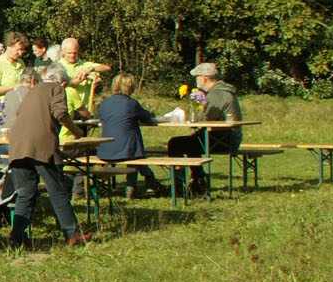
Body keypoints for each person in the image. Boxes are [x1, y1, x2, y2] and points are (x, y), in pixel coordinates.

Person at [5, 65, 92, 249]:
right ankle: (73, 234)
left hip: (18, 146)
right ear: (63, 82)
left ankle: (16, 237)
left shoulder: (32, 91)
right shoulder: (56, 89)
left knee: (25, 193)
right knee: (57, 190)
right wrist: (77, 131)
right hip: (41, 146)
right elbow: (60, 113)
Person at [167, 61, 241, 196]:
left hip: (224, 140)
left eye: (197, 77)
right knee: (191, 143)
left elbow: (205, 118)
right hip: (225, 136)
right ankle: (197, 180)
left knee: (175, 143)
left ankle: (180, 185)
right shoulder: (221, 91)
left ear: (205, 78)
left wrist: (198, 110)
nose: (196, 80)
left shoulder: (217, 94)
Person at [94, 72, 165, 197]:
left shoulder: (104, 104)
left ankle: (150, 182)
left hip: (106, 149)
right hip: (127, 150)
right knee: (135, 152)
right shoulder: (131, 103)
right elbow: (146, 117)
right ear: (130, 87)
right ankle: (133, 186)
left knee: (134, 150)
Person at [59, 38, 112, 116]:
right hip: (66, 110)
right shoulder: (57, 66)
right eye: (69, 53)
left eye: (75, 53)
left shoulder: (84, 65)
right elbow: (57, 87)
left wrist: (91, 70)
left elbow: (107, 68)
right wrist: (75, 81)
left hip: (84, 111)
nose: (72, 56)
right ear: (63, 51)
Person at [0, 31, 30, 117]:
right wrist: (15, 87)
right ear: (9, 46)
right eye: (18, 49)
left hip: (20, 107)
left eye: (22, 50)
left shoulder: (21, 62)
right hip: (4, 110)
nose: (21, 53)